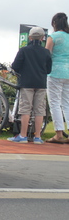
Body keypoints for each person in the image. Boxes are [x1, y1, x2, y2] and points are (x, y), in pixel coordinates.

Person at [8, 26, 52, 144]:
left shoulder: (24, 50)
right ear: (43, 38)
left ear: (30, 37)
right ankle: (37, 136)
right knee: (39, 110)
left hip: (26, 83)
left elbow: (15, 66)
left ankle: (23, 136)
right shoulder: (46, 52)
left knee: (25, 109)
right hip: (41, 83)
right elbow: (48, 70)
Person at [45, 12, 69, 143]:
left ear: (54, 23)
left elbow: (47, 55)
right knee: (67, 103)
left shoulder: (53, 37)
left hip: (54, 72)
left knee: (55, 103)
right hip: (68, 73)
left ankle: (58, 134)